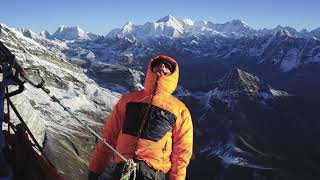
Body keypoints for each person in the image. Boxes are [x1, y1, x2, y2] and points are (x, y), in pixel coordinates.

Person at [88, 55, 193, 180]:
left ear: (172, 74)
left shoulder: (180, 110)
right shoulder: (127, 100)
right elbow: (109, 135)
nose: (163, 66)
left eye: (167, 66)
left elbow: (182, 153)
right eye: (159, 64)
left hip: (153, 173)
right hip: (124, 168)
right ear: (150, 70)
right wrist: (95, 169)